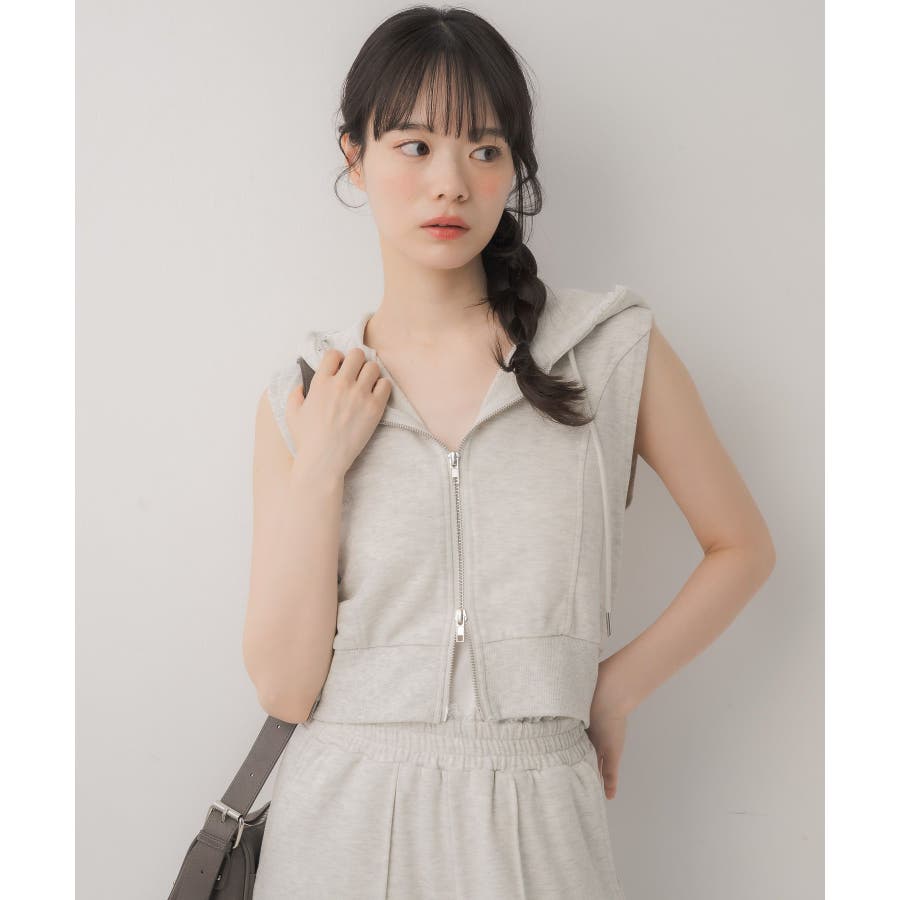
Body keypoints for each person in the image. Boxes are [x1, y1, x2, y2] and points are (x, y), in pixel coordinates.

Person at [244, 7, 776, 899]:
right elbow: (286, 690)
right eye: (414, 145)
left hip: (538, 818)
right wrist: (322, 466)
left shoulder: (610, 349)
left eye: (483, 150)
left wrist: (612, 690)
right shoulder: (306, 393)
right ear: (354, 157)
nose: (449, 183)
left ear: (513, 170)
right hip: (340, 827)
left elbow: (743, 548)